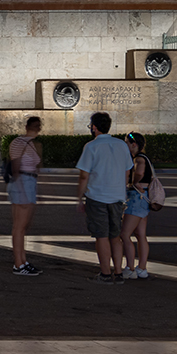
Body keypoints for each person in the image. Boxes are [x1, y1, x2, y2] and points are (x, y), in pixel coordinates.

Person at [75, 111, 133, 283]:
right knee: (115, 236)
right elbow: (127, 171)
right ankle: (118, 272)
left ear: (94, 127)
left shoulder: (91, 146)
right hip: (117, 197)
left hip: (97, 196)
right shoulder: (121, 145)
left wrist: (79, 196)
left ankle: (105, 273)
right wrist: (121, 191)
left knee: (101, 236)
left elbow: (84, 176)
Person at [6, 116, 45, 275]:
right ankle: (18, 264)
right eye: (36, 125)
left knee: (23, 226)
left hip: (28, 183)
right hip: (22, 182)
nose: (37, 128)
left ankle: (22, 260)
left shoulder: (34, 144)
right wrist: (21, 189)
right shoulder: (18, 142)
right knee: (19, 226)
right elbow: (15, 167)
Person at [119, 132, 155, 280]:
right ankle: (142, 268)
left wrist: (133, 182)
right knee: (141, 235)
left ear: (134, 144)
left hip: (137, 197)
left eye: (127, 142)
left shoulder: (139, 158)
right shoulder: (145, 157)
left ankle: (130, 268)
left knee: (124, 234)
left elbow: (139, 172)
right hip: (145, 198)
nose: (125, 145)